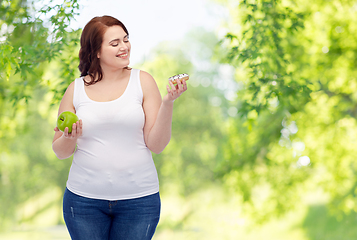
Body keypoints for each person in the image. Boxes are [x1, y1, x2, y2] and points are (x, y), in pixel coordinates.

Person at [52, 15, 187, 240]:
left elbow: (156, 145)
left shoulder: (143, 81)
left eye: (125, 39)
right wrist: (69, 137)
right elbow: (60, 152)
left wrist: (168, 102)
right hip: (83, 202)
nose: (124, 47)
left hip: (139, 201)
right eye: (115, 43)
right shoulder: (74, 90)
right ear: (96, 51)